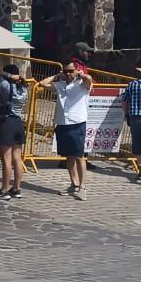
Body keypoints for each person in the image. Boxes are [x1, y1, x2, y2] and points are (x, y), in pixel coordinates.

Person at [38, 63, 93, 200]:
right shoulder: (60, 84)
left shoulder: (82, 84)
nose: (68, 73)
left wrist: (80, 74)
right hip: (62, 122)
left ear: (76, 70)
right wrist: (57, 76)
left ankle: (82, 186)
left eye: (70, 71)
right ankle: (73, 184)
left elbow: (89, 80)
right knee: (68, 156)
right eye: (65, 71)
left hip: (77, 123)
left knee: (79, 156)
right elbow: (42, 83)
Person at [0, 64, 29, 198]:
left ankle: (4, 189)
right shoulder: (24, 88)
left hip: (5, 121)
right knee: (17, 158)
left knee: (6, 160)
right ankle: (17, 188)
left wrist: (5, 75)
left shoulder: (5, 85)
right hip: (18, 123)